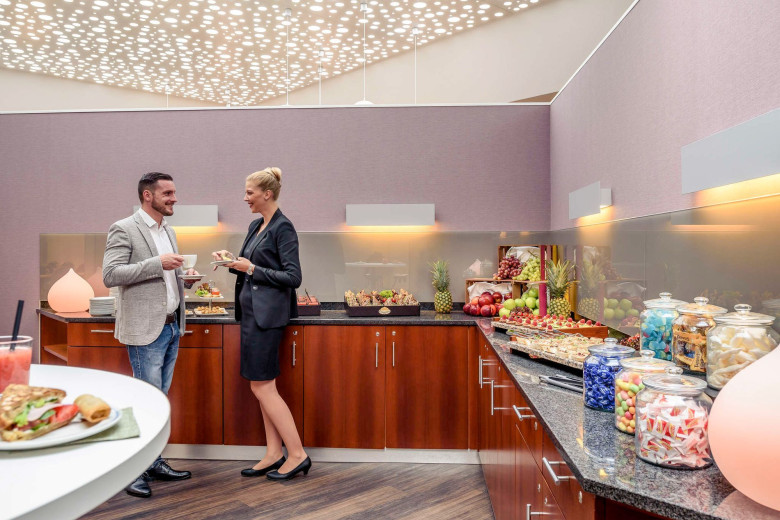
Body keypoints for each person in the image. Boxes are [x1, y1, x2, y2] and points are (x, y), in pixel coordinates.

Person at [103, 172, 198, 498]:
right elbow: (111, 274)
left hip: (171, 326)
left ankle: (153, 462)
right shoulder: (124, 228)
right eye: (167, 193)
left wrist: (184, 278)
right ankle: (134, 471)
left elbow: (167, 275)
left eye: (174, 192)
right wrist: (158, 263)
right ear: (148, 195)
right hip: (146, 330)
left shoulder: (168, 231)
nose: (174, 198)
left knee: (158, 401)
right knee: (145, 403)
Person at [213, 167, 311, 481]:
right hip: (251, 316)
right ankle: (273, 453)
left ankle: (297, 455)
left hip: (267, 319)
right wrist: (232, 262)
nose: (245, 198)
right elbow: (250, 266)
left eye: (250, 192)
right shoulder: (257, 225)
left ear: (267, 194)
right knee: (262, 387)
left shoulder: (283, 227)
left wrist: (252, 268)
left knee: (263, 386)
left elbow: (293, 277)